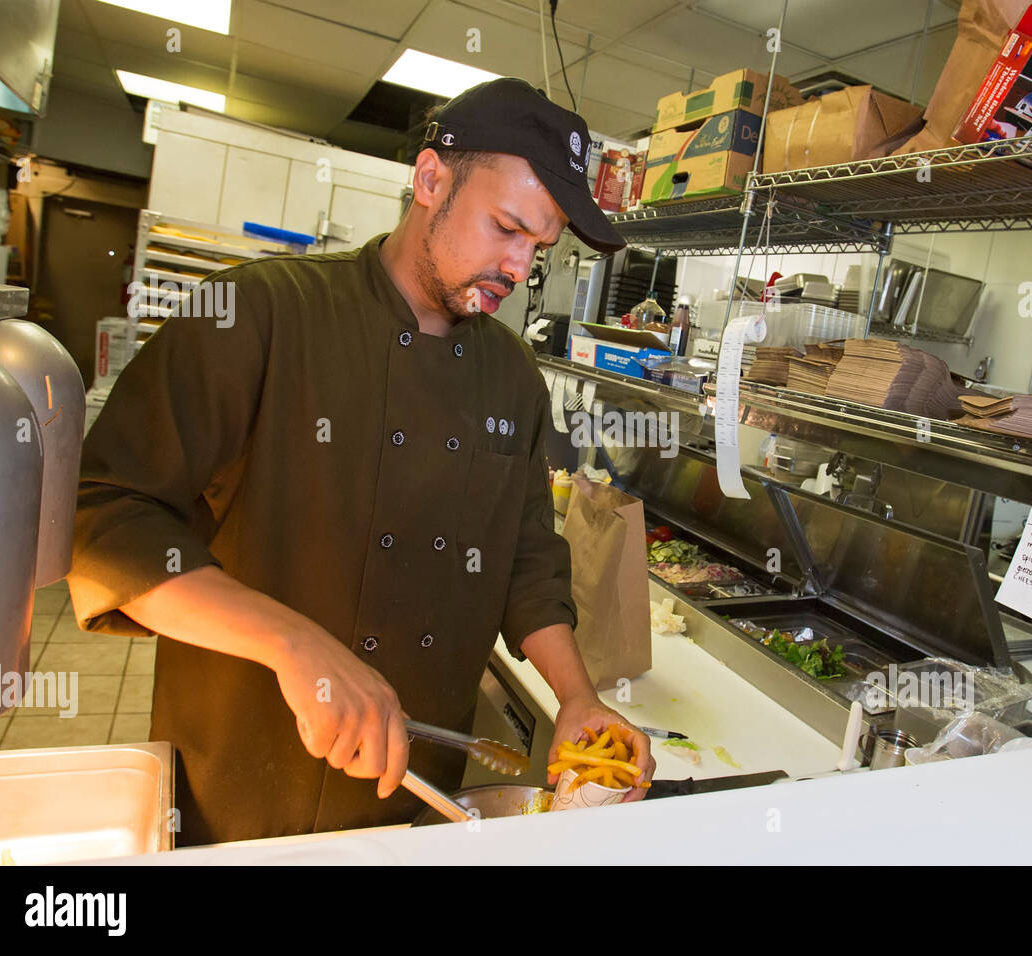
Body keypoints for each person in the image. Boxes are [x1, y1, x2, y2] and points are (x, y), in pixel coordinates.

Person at [68, 77, 654, 846]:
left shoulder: (512, 376)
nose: (517, 268)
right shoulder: (260, 313)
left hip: (410, 805)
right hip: (237, 790)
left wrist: (578, 698)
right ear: (431, 178)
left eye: (538, 248)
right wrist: (293, 641)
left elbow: (526, 561)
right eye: (506, 227)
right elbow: (107, 517)